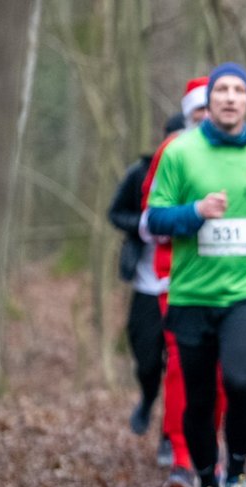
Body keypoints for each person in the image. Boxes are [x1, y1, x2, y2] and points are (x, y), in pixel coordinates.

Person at [146, 62, 246, 487]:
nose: (229, 97)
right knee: (200, 396)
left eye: (238, 90)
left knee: (241, 381)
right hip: (190, 294)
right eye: (221, 90)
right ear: (209, 101)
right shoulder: (180, 152)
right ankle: (207, 483)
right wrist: (195, 211)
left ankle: (239, 476)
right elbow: (153, 220)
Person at [141, 76, 221, 487]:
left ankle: (212, 452)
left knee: (226, 373)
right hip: (178, 278)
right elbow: (148, 218)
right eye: (198, 113)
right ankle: (183, 457)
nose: (206, 119)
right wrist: (194, 215)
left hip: (232, 281)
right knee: (183, 368)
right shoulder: (171, 153)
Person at [108, 115, 184, 469]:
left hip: (184, 286)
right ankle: (147, 396)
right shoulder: (140, 174)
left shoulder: (202, 179)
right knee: (148, 358)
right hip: (144, 282)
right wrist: (142, 226)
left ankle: (170, 437)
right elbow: (115, 213)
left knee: (180, 367)